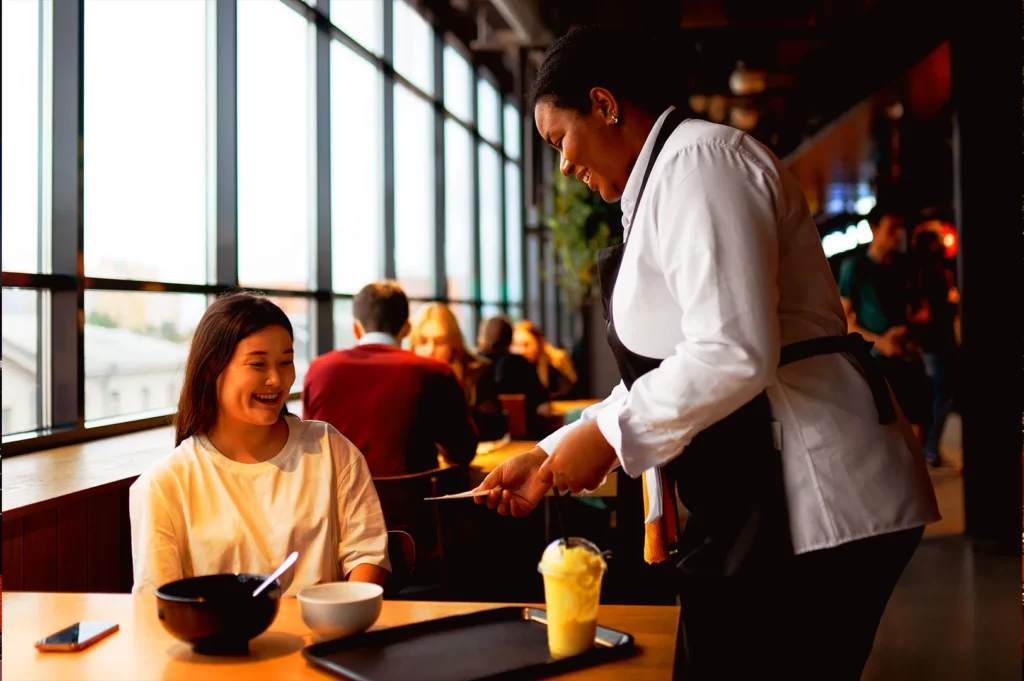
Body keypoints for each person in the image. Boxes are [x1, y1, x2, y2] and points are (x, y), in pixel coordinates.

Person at [475, 26, 939, 680]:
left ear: (605, 105)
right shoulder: (668, 178)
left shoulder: (699, 164)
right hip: (772, 492)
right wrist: (552, 455)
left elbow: (733, 350)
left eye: (561, 140)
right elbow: (672, 363)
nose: (564, 166)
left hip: (818, 491)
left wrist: (607, 435)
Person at [130, 292, 390, 597]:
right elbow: (158, 601)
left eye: (286, 362)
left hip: (326, 636)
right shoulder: (164, 485)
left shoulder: (329, 448)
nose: (276, 380)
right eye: (258, 364)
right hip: (220, 641)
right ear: (213, 368)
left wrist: (344, 613)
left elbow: (368, 553)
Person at [303, 282, 478, 477]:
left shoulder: (319, 370)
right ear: (406, 329)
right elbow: (462, 452)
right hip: (413, 504)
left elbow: (308, 448)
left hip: (337, 503)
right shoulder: (434, 372)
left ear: (356, 329)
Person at [838, 208, 934, 442]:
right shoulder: (856, 267)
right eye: (891, 229)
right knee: (888, 439)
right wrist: (882, 343)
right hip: (875, 365)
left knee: (917, 434)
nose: (897, 235)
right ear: (874, 229)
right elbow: (842, 323)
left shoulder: (904, 267)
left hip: (907, 358)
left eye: (900, 229)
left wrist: (906, 330)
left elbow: (922, 312)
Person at [408, 303, 508, 441]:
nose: (430, 350)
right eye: (423, 341)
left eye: (439, 342)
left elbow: (493, 427)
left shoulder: (478, 371)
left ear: (453, 343)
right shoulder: (405, 374)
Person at [908, 228, 959, 466]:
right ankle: (929, 449)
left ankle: (929, 448)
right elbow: (926, 312)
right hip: (936, 343)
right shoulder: (930, 274)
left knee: (938, 396)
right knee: (940, 397)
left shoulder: (922, 272)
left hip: (935, 343)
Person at [477, 316, 550, 438]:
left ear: (482, 338)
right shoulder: (518, 363)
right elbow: (542, 403)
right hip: (524, 437)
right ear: (510, 340)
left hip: (482, 436)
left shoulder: (474, 365)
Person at [511, 320, 578, 399]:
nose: (521, 350)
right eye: (516, 345)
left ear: (538, 343)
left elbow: (567, 392)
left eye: (526, 345)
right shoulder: (514, 367)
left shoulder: (555, 362)